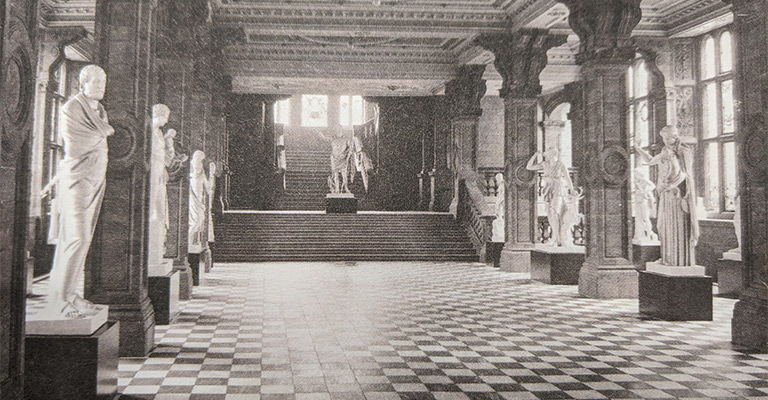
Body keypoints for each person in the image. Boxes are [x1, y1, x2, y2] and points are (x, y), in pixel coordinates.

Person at [46, 65, 114, 318]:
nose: (100, 86)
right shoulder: (71, 107)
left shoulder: (100, 110)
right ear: (82, 83)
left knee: (83, 239)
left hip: (95, 178)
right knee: (77, 238)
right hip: (77, 178)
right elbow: (74, 146)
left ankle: (70, 294)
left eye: (103, 82)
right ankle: (60, 299)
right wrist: (102, 132)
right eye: (95, 82)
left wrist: (101, 132)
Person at [635, 125, 699, 266]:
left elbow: (686, 175)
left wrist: (672, 185)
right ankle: (667, 257)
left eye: (666, 137)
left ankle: (677, 260)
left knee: (674, 226)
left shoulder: (683, 151)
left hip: (677, 196)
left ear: (672, 136)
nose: (664, 140)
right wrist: (638, 148)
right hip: (666, 195)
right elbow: (650, 161)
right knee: (663, 225)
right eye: (663, 138)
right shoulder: (665, 152)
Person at [526, 147, 578, 247]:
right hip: (548, 190)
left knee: (555, 212)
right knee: (550, 213)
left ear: (553, 154)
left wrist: (571, 189)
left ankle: (556, 238)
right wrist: (535, 155)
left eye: (548, 153)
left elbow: (567, 178)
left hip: (558, 189)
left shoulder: (561, 165)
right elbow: (529, 167)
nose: (546, 155)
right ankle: (555, 238)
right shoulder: (544, 164)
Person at [319, 128, 352, 193]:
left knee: (344, 174)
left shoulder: (346, 139)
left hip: (343, 158)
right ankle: (337, 189)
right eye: (337, 130)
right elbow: (326, 138)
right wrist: (320, 134)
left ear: (342, 130)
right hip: (334, 158)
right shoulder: (332, 138)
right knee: (335, 174)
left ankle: (345, 188)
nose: (338, 131)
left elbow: (350, 148)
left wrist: (345, 155)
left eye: (339, 129)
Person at [632, 167, 658, 243]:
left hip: (644, 200)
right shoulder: (636, 181)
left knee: (645, 218)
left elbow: (653, 186)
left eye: (636, 173)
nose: (635, 175)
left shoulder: (644, 180)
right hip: (638, 201)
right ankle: (639, 234)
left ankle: (649, 234)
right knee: (638, 219)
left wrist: (644, 191)